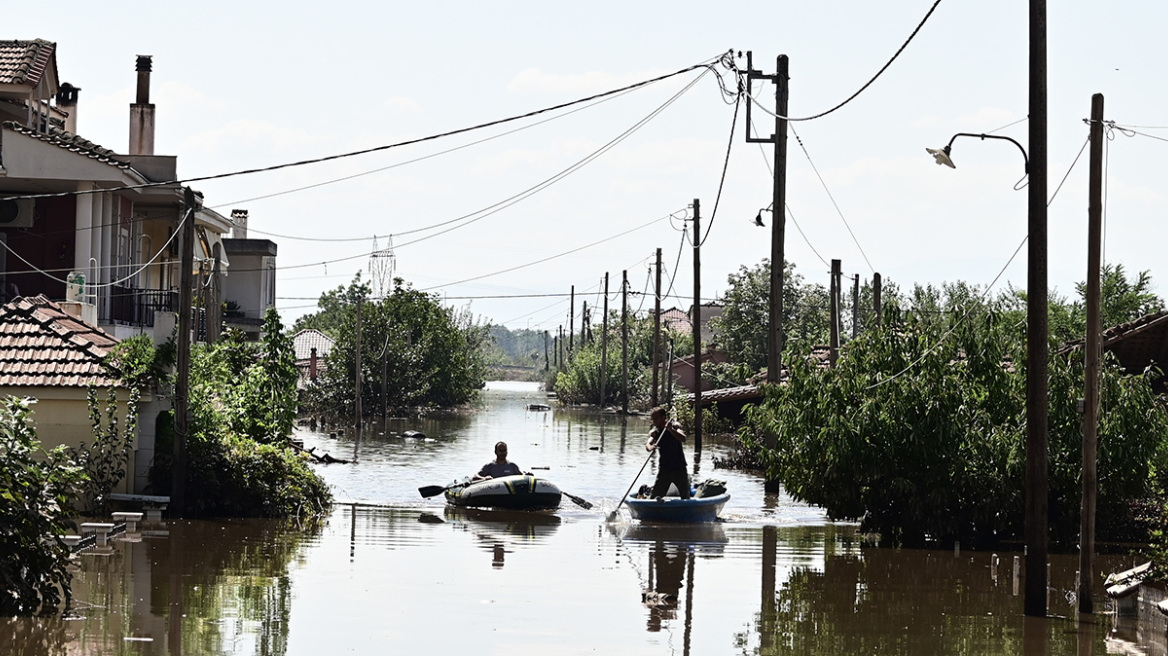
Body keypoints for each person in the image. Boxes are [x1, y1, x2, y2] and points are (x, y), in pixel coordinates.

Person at [645, 407, 690, 499]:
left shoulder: (675, 426)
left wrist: (670, 429)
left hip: (679, 468)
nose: (654, 421)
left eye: (656, 418)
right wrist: (650, 447)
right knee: (655, 496)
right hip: (665, 470)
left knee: (685, 496)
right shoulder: (656, 432)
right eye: (653, 419)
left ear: (664, 417)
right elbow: (648, 444)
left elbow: (683, 438)